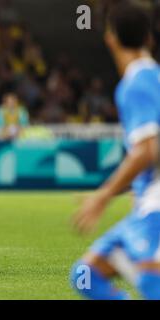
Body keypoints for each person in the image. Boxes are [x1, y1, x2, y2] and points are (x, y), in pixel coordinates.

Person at [71, 2, 160, 300]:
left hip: (156, 207)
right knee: (86, 274)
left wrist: (103, 196)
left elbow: (148, 150)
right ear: (149, 38)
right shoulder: (153, 78)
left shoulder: (137, 82)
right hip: (147, 204)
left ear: (110, 38)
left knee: (151, 282)